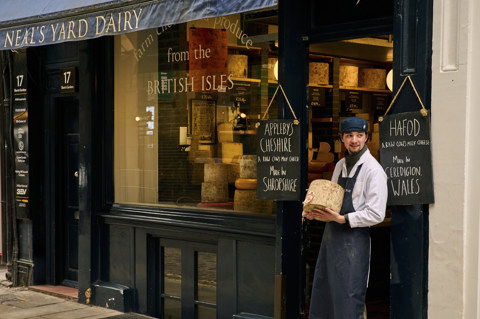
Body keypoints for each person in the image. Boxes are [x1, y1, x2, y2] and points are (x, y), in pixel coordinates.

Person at [303, 117, 388, 319]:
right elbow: (332, 202)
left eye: (359, 135)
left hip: (354, 242)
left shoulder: (374, 171)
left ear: (366, 137)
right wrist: (314, 212)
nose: (354, 140)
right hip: (331, 240)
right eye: (349, 136)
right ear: (342, 138)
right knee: (325, 291)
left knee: (349, 297)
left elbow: (377, 213)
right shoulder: (340, 165)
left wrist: (343, 219)